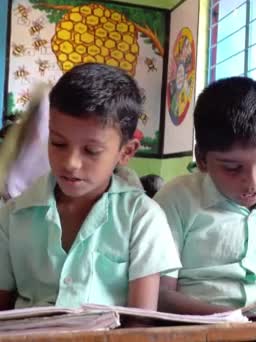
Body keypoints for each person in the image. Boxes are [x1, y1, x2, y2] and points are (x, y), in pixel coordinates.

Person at [0, 63, 181, 310]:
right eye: (58, 143)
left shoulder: (142, 218)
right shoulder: (13, 215)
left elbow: (141, 321)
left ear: (126, 152)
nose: (71, 163)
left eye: (91, 151)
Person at [155, 77, 256, 314]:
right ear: (202, 159)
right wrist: (236, 319)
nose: (253, 182)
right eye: (232, 168)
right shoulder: (176, 199)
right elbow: (160, 295)